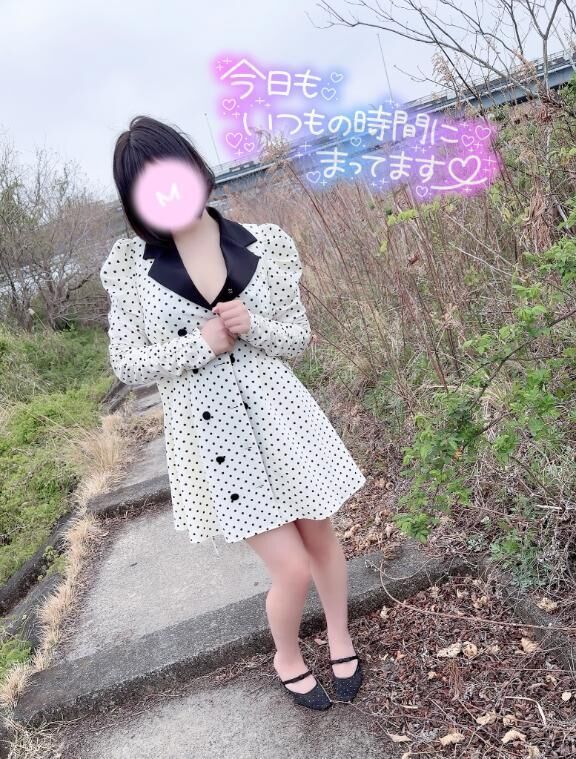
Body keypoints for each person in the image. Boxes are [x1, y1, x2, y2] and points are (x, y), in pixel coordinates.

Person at [100, 115, 367, 709]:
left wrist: (255, 325)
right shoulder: (130, 266)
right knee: (290, 568)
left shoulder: (263, 241)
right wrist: (200, 343)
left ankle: (341, 637)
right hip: (213, 436)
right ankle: (287, 656)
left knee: (321, 536)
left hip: (281, 415)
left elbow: (296, 338)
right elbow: (128, 364)